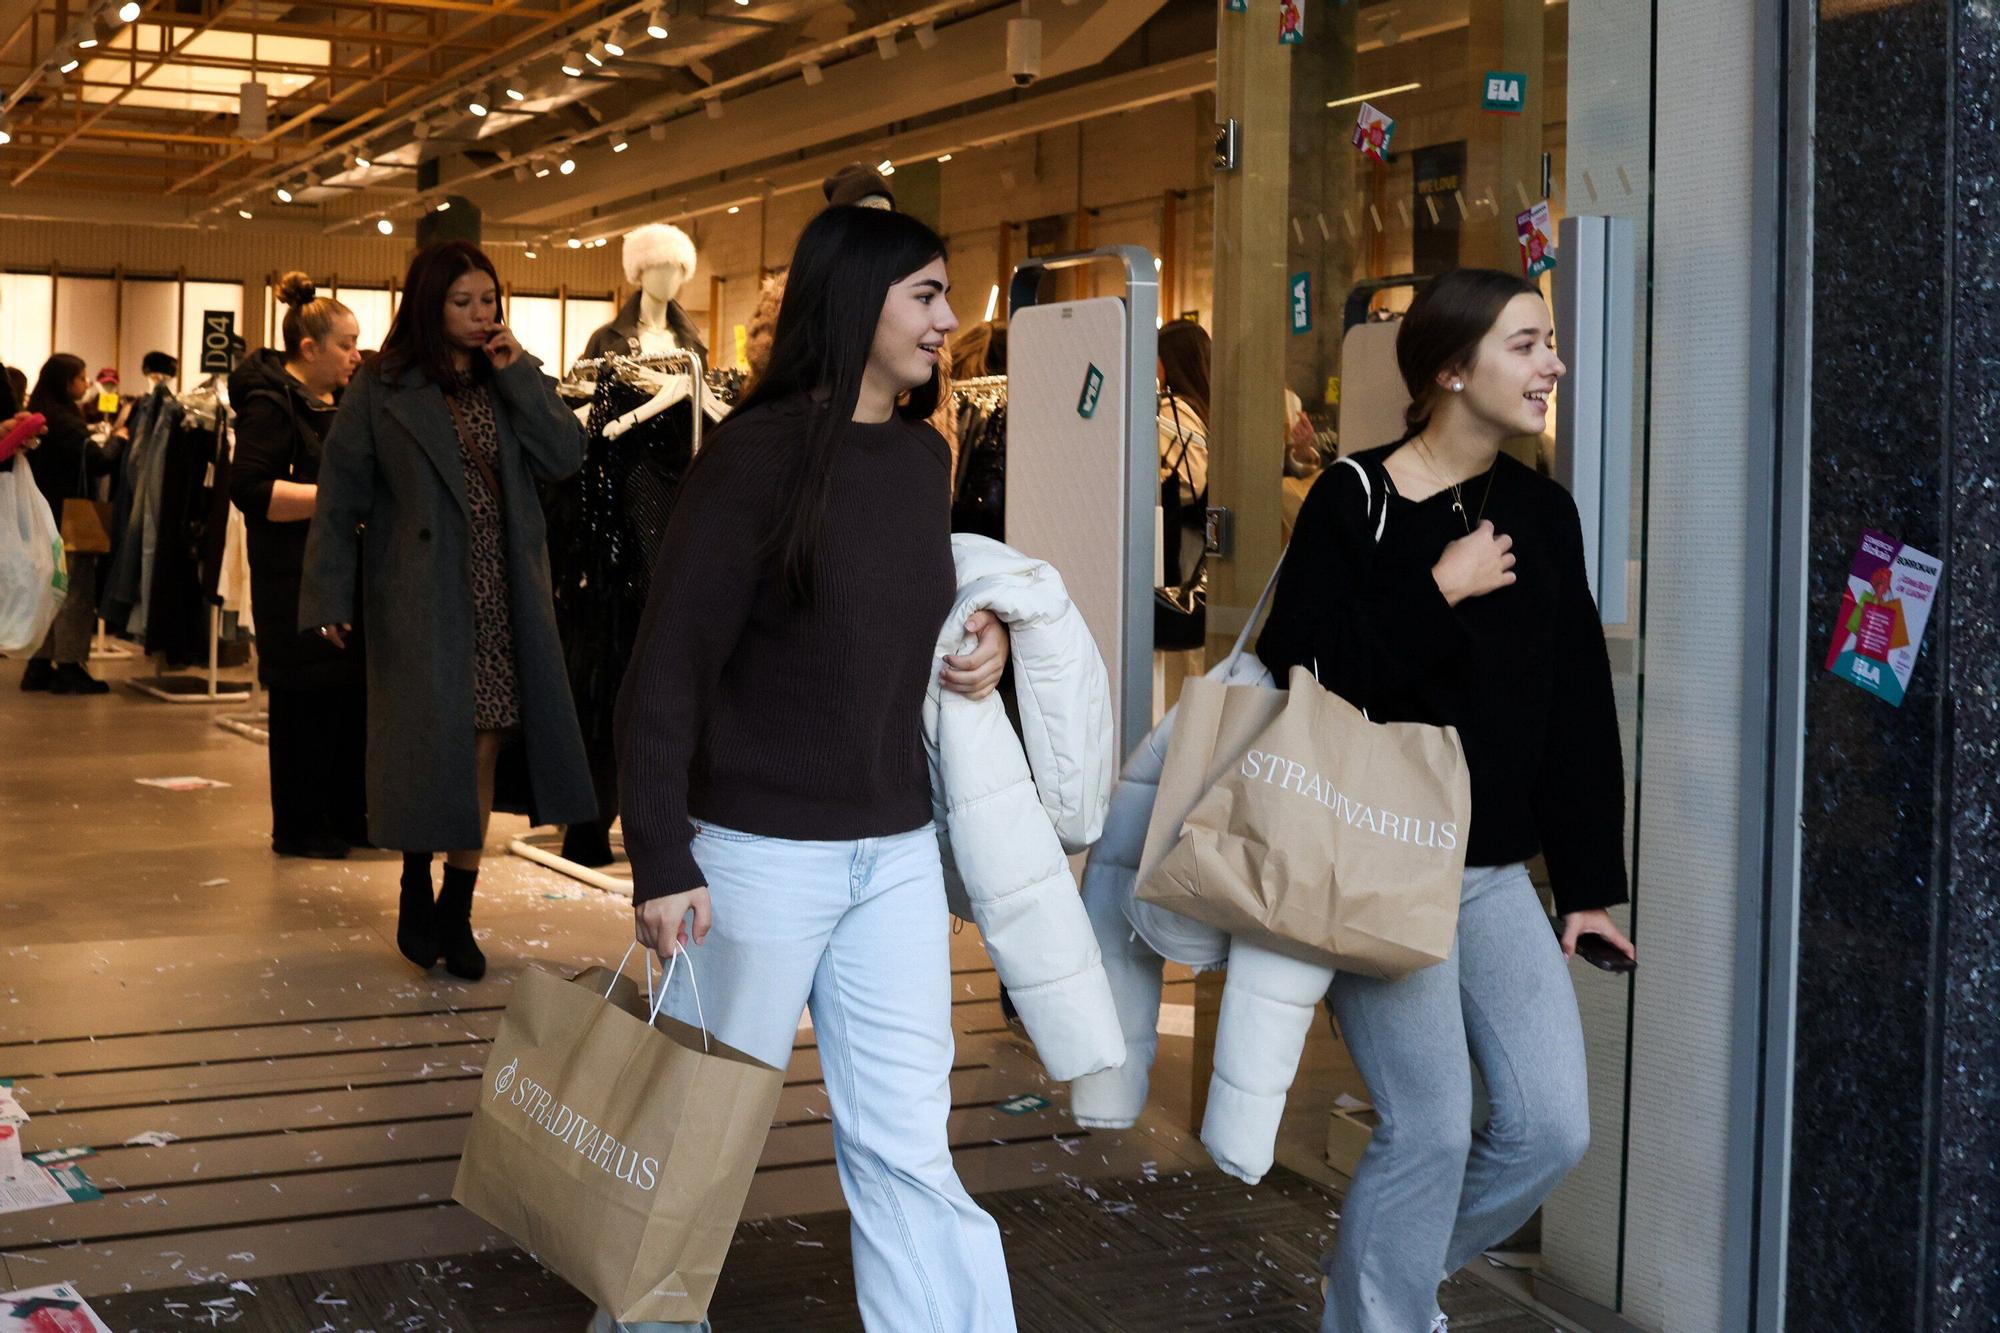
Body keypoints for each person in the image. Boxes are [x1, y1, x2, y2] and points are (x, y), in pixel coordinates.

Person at [611, 205, 1018, 1333]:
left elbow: (889, 619)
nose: (948, 320)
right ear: (853, 302)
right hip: (753, 860)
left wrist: (980, 642)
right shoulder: (755, 454)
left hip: (894, 851)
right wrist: (660, 856)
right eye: (925, 295)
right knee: (693, 1142)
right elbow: (666, 667)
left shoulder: (922, 458)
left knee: (906, 1141)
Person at [1256, 268, 1636, 1333]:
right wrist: (1438, 589)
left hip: (1492, 871)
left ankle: (1373, 1289)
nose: (1552, 363)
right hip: (1375, 859)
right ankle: (1377, 1311)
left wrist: (1587, 886)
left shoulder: (1541, 513)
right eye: (1526, 343)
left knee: (1550, 1126)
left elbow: (1573, 707)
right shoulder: (1354, 498)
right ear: (1451, 369)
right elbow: (1305, 671)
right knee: (1424, 1128)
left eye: (1548, 341)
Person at [301, 241, 596, 981]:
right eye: (463, 302)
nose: (479, 314)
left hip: (503, 592)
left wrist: (517, 371)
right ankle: (414, 880)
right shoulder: (382, 385)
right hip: (419, 592)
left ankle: (458, 906)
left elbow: (566, 455)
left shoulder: (510, 375)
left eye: (489, 300)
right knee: (425, 745)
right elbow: (340, 495)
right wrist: (329, 593)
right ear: (430, 306)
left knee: (483, 746)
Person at [229, 272, 368, 859]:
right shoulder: (270, 405)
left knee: (344, 697)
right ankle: (300, 826)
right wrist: (336, 499)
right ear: (309, 349)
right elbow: (250, 489)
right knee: (304, 700)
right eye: (346, 344)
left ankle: (346, 815)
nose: (356, 354)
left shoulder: (338, 401)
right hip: (292, 577)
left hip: (339, 571)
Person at [20, 355, 114, 695]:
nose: (86, 384)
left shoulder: (38, 414)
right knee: (74, 591)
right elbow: (98, 461)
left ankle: (39, 664)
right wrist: (119, 438)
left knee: (46, 591)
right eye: (82, 378)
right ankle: (70, 667)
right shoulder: (65, 420)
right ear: (66, 382)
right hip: (68, 518)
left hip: (37, 517)